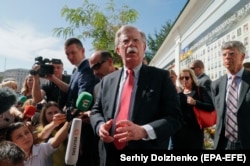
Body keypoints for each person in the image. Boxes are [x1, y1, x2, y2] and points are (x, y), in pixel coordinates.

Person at [90, 25, 182, 165]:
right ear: (118, 50)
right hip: (110, 156)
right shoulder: (107, 81)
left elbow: (175, 118)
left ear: (144, 48)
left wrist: (144, 131)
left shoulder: (161, 77)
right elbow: (96, 110)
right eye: (126, 41)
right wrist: (100, 126)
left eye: (136, 40)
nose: (131, 44)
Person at [64, 38, 100, 166]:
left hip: (84, 126)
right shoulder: (76, 71)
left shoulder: (87, 69)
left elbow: (84, 99)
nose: (70, 56)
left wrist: (74, 113)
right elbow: (71, 92)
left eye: (73, 52)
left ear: (83, 50)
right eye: (67, 54)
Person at [211, 40, 250, 150]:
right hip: (224, 143)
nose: (227, 57)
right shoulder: (216, 85)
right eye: (224, 54)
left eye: (232, 53)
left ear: (242, 57)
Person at [172, 69, 214, 149]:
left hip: (195, 131)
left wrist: (195, 102)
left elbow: (211, 106)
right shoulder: (179, 93)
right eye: (182, 78)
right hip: (180, 132)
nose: (184, 80)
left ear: (192, 78)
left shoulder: (200, 90)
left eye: (187, 78)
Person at [5, 120, 70, 166]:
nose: (25, 137)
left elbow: (57, 140)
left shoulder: (41, 149)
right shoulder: (8, 161)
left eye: (26, 132)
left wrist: (69, 122)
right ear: (11, 143)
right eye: (19, 136)